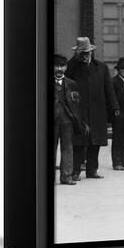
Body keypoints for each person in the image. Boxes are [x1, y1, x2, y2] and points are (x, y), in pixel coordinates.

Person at [66, 37, 119, 180]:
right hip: (79, 111)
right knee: (78, 142)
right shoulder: (73, 67)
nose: (85, 55)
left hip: (97, 111)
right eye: (82, 53)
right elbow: (66, 75)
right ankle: (75, 171)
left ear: (91, 52)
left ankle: (92, 170)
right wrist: (75, 59)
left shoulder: (101, 67)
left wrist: (114, 107)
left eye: (87, 52)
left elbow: (109, 89)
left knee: (95, 143)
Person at [53, 54, 87, 185]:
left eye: (62, 66)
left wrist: (78, 121)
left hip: (67, 122)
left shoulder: (72, 84)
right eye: (56, 66)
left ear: (66, 67)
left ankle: (66, 176)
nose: (59, 69)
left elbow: (77, 105)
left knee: (67, 148)